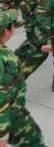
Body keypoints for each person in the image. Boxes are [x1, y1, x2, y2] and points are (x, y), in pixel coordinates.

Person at [0, 10, 47, 146]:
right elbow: (3, 99)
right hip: (13, 118)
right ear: (6, 32)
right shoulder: (6, 62)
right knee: (35, 141)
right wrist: (2, 136)